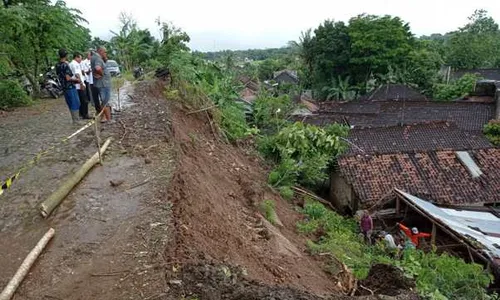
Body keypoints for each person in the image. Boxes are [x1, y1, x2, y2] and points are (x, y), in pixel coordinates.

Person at [55, 48, 81, 124]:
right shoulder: (65, 65)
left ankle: (75, 119)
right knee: (75, 102)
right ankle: (76, 120)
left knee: (70, 102)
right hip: (69, 86)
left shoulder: (57, 65)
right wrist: (77, 80)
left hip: (63, 86)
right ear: (66, 55)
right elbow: (68, 78)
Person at [91, 46, 112, 123]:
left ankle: (103, 117)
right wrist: (102, 74)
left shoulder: (94, 57)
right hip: (103, 83)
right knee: (105, 101)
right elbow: (98, 68)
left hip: (100, 83)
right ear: (100, 51)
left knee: (104, 101)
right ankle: (108, 119)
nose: (106, 53)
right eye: (105, 52)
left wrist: (105, 59)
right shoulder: (98, 58)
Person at [69, 52, 90, 119]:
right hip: (79, 85)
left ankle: (82, 114)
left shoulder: (74, 64)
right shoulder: (74, 64)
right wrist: (81, 83)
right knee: (84, 100)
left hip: (78, 84)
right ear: (76, 57)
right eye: (80, 58)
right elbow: (77, 74)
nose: (81, 60)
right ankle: (85, 114)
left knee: (81, 100)